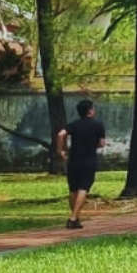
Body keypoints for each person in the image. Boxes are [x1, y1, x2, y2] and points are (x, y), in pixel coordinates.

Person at [55, 98, 106, 229]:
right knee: (83, 188)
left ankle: (76, 218)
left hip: (74, 160)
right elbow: (101, 144)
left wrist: (61, 151)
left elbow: (61, 134)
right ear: (90, 111)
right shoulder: (98, 125)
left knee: (73, 189)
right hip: (89, 161)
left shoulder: (74, 124)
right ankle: (73, 218)